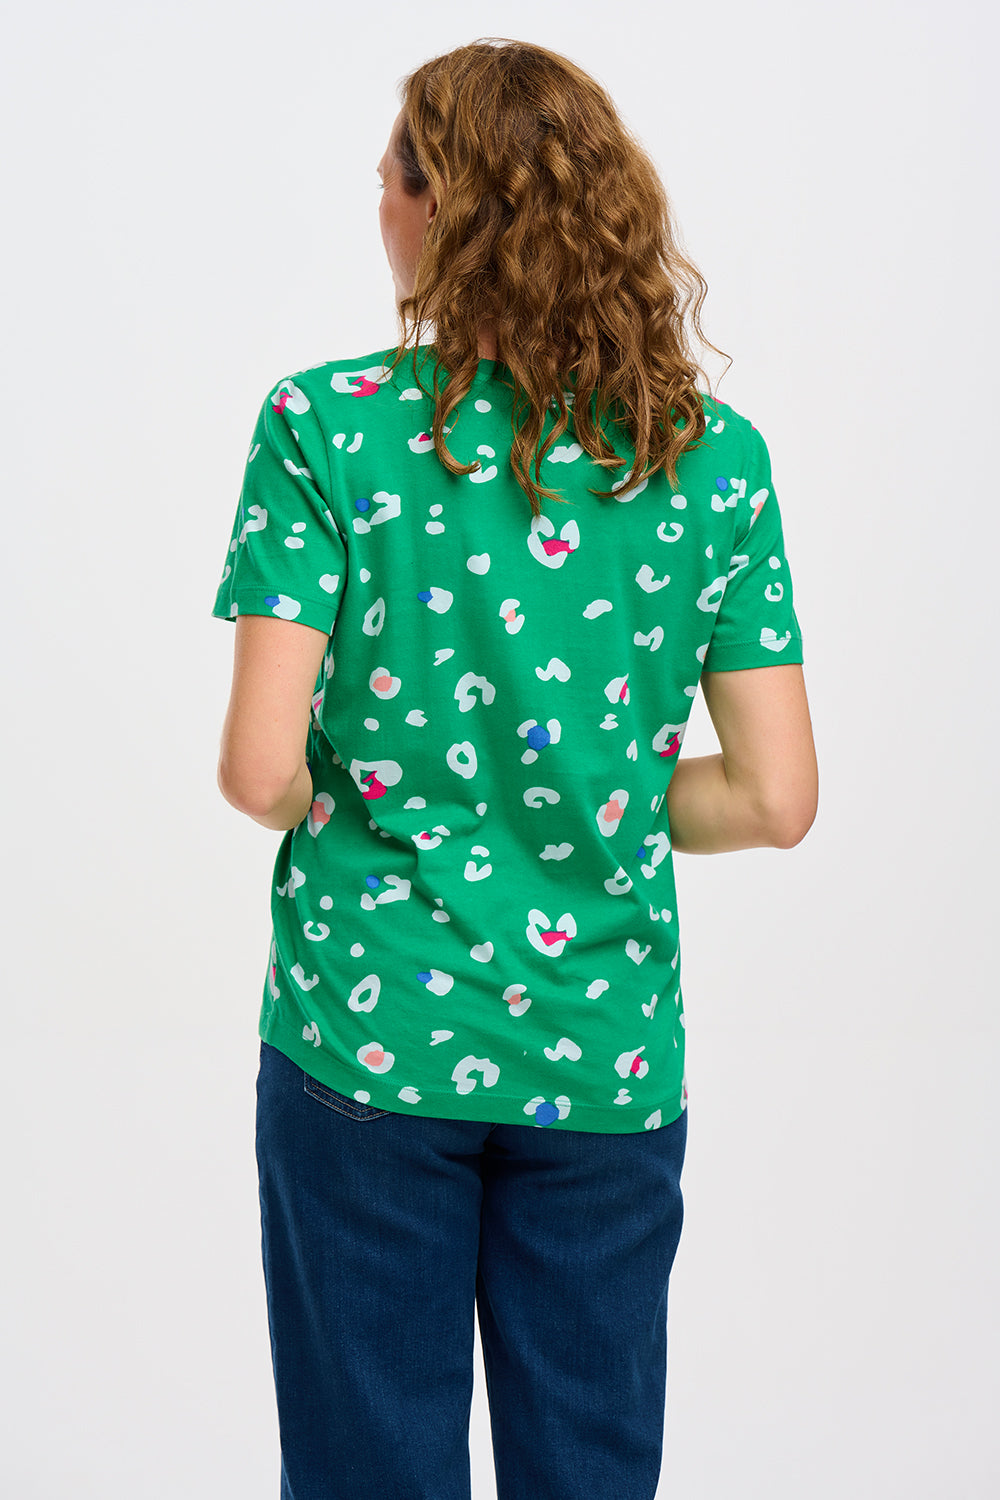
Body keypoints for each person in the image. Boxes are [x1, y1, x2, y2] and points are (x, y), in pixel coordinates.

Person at [211, 36, 818, 1500]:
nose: (378, 204)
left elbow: (257, 771)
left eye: (391, 178)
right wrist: (586, 791)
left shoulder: (325, 427)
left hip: (367, 1042)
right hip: (602, 1056)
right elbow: (773, 797)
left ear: (447, 211)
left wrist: (373, 795)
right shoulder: (709, 458)